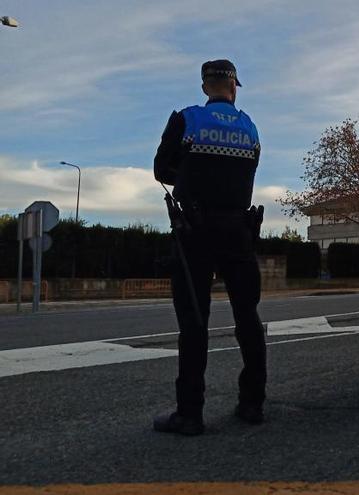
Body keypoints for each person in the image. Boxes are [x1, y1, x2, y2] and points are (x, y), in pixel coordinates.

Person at [152, 59, 266, 436]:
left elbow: (161, 169)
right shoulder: (250, 128)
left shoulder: (186, 119)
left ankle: (190, 414)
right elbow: (249, 171)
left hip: (195, 231)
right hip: (238, 230)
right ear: (234, 87)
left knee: (194, 322)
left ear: (205, 88)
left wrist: (189, 175)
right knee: (247, 318)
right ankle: (252, 404)